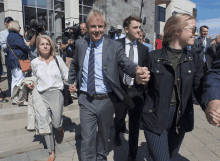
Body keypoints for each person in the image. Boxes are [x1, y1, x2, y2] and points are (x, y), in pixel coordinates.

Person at [68, 9, 150, 161]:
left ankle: (101, 158)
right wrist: (70, 81)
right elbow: (74, 64)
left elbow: (126, 64)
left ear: (104, 27)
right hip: (86, 99)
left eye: (100, 26)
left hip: (107, 100)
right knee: (87, 140)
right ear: (87, 26)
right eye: (93, 26)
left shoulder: (114, 46)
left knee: (103, 138)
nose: (96, 30)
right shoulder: (80, 44)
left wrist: (137, 70)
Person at [141, 13, 204, 161]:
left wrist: (211, 105)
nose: (196, 33)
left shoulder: (194, 58)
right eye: (192, 29)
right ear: (177, 30)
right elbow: (140, 89)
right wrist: (138, 80)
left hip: (180, 117)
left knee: (170, 157)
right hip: (155, 115)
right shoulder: (153, 57)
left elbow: (200, 87)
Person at [25, 35, 68, 161]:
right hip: (41, 94)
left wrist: (72, 84)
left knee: (55, 122)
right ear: (38, 47)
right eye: (42, 44)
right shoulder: (34, 62)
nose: (45, 46)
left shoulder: (58, 60)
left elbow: (66, 74)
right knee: (45, 123)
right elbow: (33, 78)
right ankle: (51, 151)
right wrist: (30, 84)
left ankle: (60, 127)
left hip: (56, 94)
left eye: (47, 44)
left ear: (51, 46)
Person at [114, 16, 149, 161]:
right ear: (126, 29)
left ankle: (132, 155)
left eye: (139, 27)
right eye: (135, 27)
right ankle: (117, 133)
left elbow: (147, 70)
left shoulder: (144, 49)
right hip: (120, 90)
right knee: (120, 119)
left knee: (134, 126)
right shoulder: (115, 45)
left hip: (136, 91)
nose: (138, 30)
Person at [6, 21, 30, 101]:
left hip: (12, 60)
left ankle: (14, 98)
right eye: (19, 27)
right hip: (18, 60)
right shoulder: (16, 36)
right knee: (20, 79)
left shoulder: (9, 35)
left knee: (14, 79)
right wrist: (28, 46)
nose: (20, 29)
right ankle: (19, 98)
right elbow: (23, 46)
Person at [0, 16, 14, 97]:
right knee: (10, 75)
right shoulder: (2, 33)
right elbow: (4, 47)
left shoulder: (16, 31)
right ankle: (12, 92)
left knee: (18, 74)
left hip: (16, 56)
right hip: (8, 56)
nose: (8, 24)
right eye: (7, 23)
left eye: (10, 22)